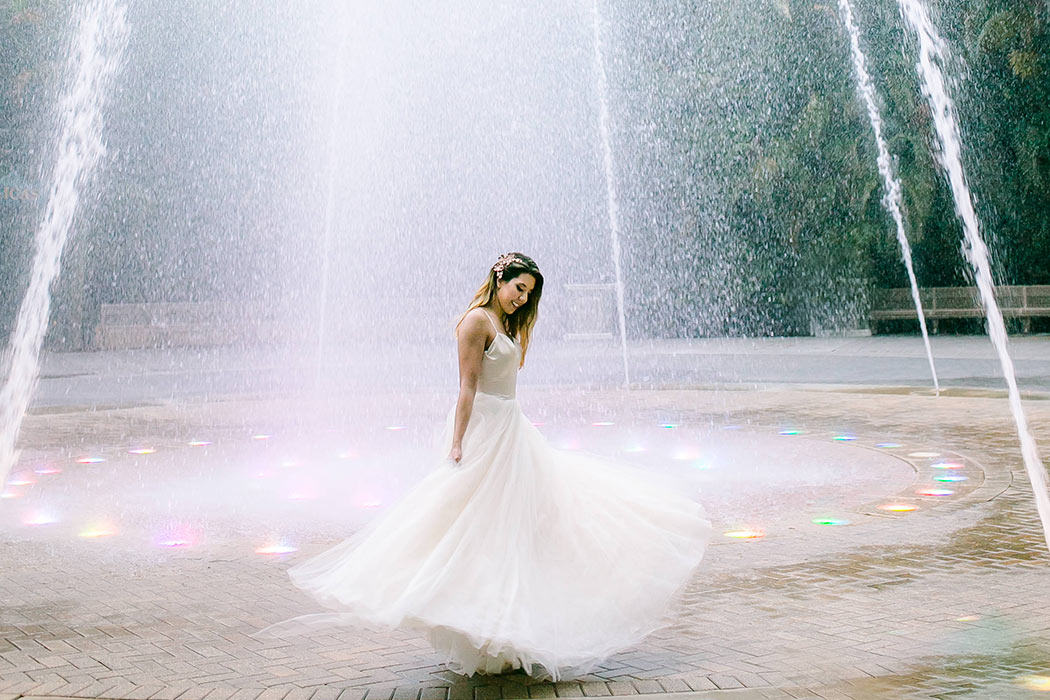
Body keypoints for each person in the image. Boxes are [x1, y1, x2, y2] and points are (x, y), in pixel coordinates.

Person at [268, 252, 712, 681]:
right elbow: (467, 387)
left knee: (521, 531)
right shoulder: (475, 321)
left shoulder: (507, 322)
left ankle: (508, 633)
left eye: (529, 294)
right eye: (519, 288)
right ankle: (472, 621)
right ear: (500, 279)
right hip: (484, 431)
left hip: (513, 430)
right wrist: (458, 442)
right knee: (475, 530)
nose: (522, 298)